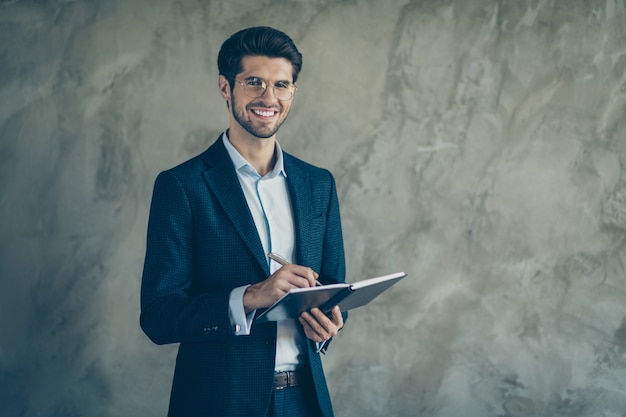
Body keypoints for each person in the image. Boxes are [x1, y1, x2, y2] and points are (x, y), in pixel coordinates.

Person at [140, 26, 347, 417]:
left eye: (281, 85)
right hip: (218, 402)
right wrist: (249, 297)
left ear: (293, 92)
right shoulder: (181, 186)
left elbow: (335, 288)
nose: (269, 98)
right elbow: (159, 317)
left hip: (305, 401)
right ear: (225, 87)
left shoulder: (319, 184)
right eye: (254, 83)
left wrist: (331, 320)